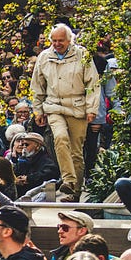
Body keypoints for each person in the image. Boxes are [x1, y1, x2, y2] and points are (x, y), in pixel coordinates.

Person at [30, 24, 100, 201]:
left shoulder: (82, 54)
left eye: (60, 40)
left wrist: (92, 109)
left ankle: (74, 193)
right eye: (54, 40)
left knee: (76, 151)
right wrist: (37, 110)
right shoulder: (44, 57)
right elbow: (37, 86)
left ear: (70, 40)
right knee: (60, 139)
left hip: (77, 106)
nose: (57, 44)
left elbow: (93, 83)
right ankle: (68, 180)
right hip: (54, 105)